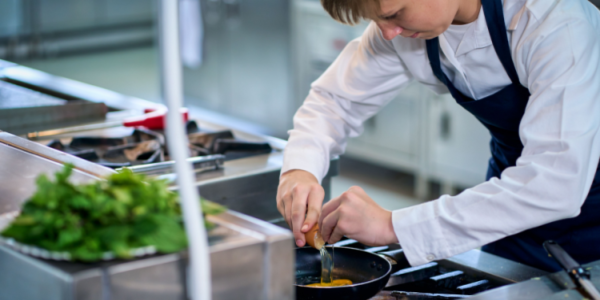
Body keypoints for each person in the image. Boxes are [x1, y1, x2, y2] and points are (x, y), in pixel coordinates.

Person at [276, 0, 600, 272]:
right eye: (377, 19)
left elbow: (556, 182)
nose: (387, 31)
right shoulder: (406, 29)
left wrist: (392, 225)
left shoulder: (555, 21)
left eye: (392, 13)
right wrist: (300, 169)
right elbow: (336, 101)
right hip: (507, 206)